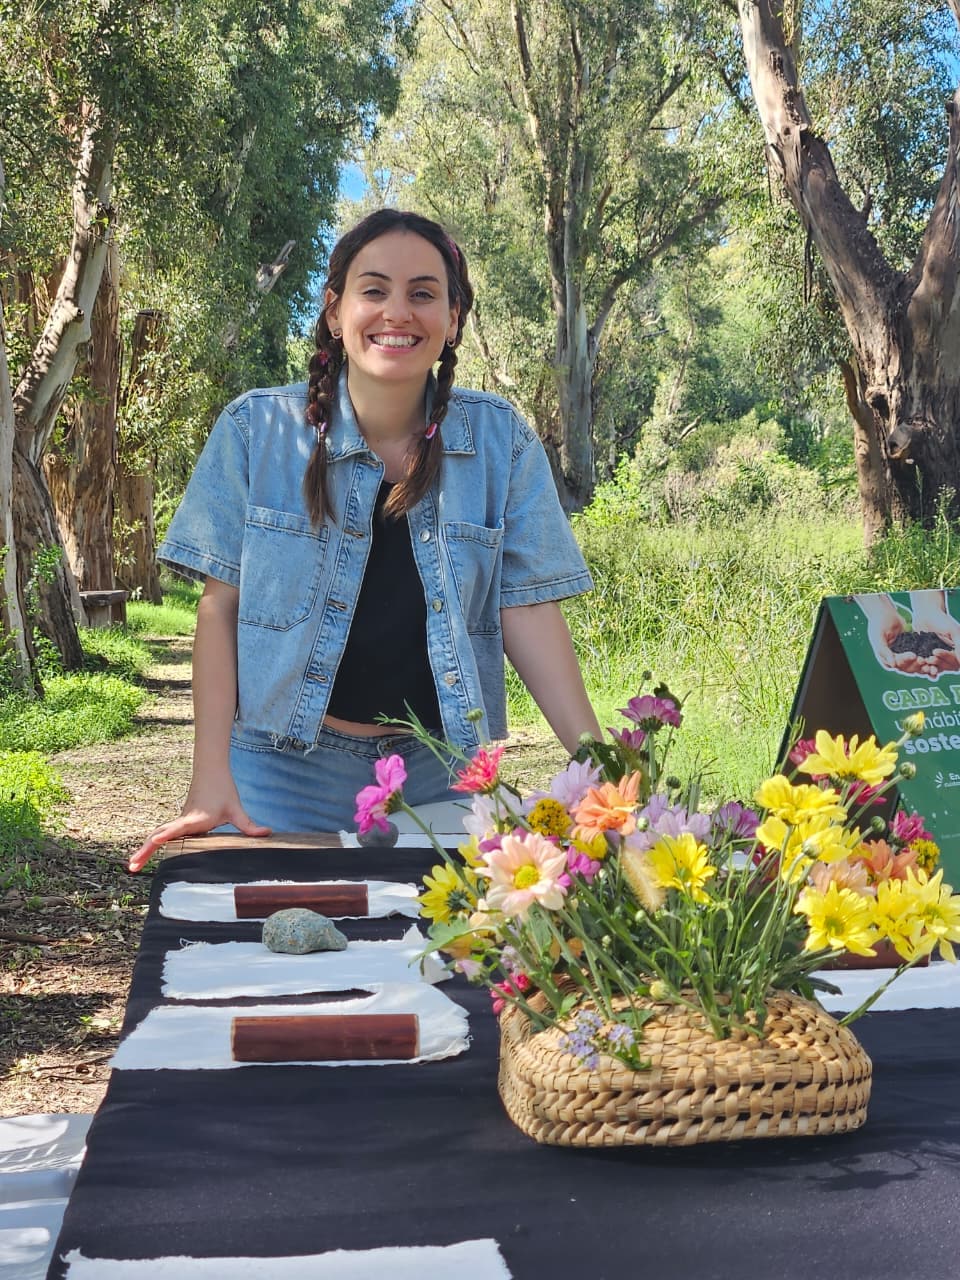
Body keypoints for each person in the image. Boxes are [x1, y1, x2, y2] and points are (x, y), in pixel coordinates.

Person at [130, 209, 602, 870]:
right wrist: (211, 777)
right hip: (278, 771)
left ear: (454, 317)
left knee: (444, 966)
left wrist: (600, 769)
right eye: (374, 289)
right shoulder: (256, 431)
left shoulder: (502, 442)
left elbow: (525, 610)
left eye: (423, 293)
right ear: (334, 310)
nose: (397, 312)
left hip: (443, 776)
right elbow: (221, 608)